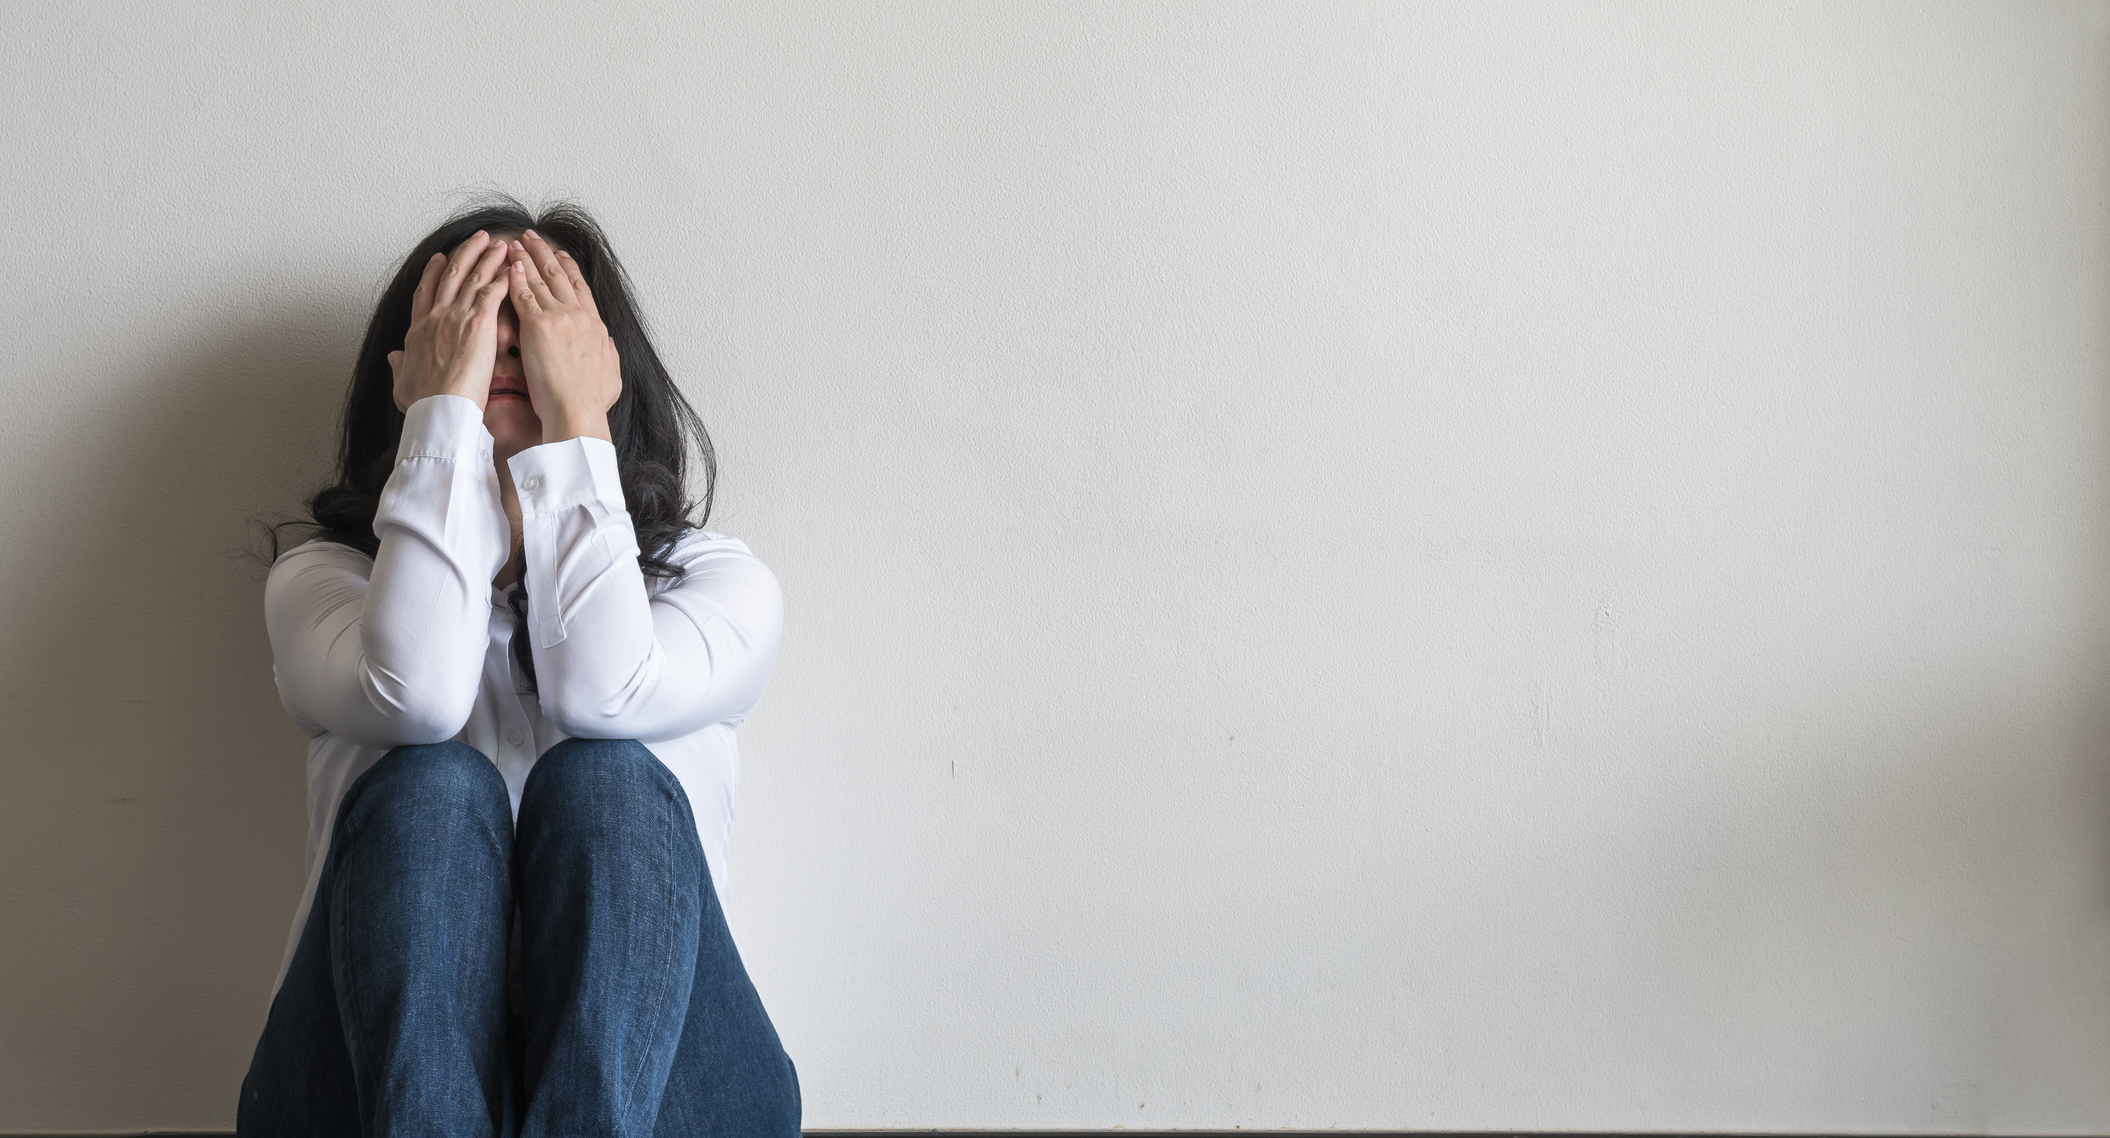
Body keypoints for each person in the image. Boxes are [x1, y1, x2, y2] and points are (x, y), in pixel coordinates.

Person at [236, 199, 799, 1136]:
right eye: (471, 335)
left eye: (537, 336)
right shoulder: (325, 584)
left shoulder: (716, 584)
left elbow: (603, 692)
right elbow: (415, 695)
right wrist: (444, 425)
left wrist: (576, 427)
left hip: (671, 1103)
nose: (504, 358)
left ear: (606, 367)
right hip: (362, 1100)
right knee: (430, 788)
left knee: (607, 778)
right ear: (410, 372)